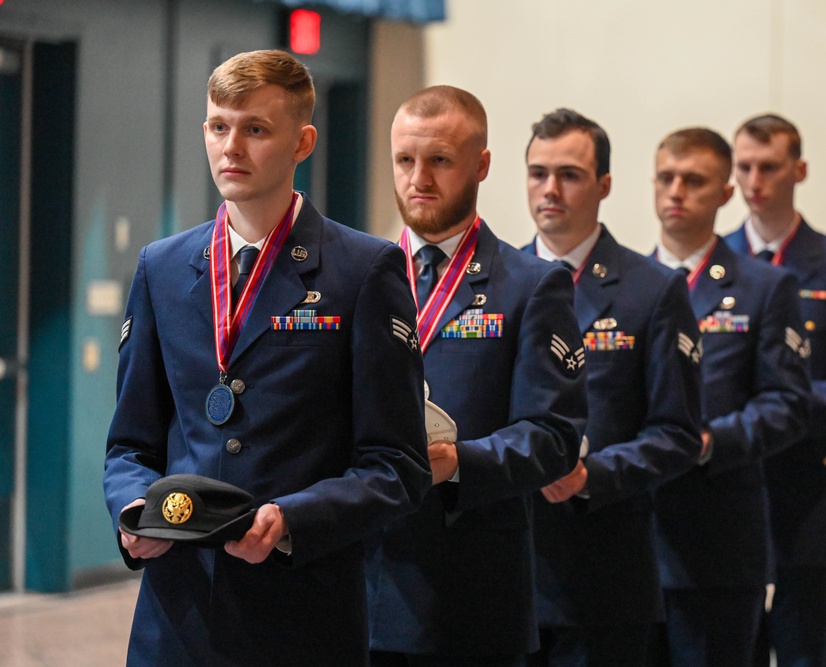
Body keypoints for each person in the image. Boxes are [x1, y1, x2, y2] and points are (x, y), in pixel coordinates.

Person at [102, 50, 431, 666]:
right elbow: (129, 443)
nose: (232, 147)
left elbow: (397, 465)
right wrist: (132, 506)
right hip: (177, 618)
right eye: (219, 126)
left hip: (302, 616)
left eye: (255, 129)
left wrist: (292, 519)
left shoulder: (364, 270)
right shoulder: (162, 267)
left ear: (302, 141)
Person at [365, 86, 587, 666]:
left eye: (440, 160)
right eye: (405, 160)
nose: (419, 179)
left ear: (481, 165)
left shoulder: (532, 285)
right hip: (358, 588)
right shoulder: (354, 275)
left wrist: (461, 462)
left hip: (470, 596)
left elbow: (555, 438)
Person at [519, 108, 702, 666]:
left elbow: (677, 434)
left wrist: (591, 476)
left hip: (601, 570)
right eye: (537, 173)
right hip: (506, 570)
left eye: (569, 175)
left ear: (604, 186)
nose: (550, 189)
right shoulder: (493, 282)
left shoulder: (653, 291)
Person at [726, 114, 826, 667]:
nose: (754, 181)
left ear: (799, 170)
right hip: (728, 486)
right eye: (744, 166)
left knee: (805, 652)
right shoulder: (709, 267)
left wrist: (783, 409)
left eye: (768, 167)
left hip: (807, 487)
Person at [649, 127, 811, 666]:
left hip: (716, 540)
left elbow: (786, 405)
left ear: (724, 192)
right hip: (629, 541)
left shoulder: (764, 287)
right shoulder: (627, 284)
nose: (676, 192)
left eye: (694, 180)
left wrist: (710, 441)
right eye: (666, 178)